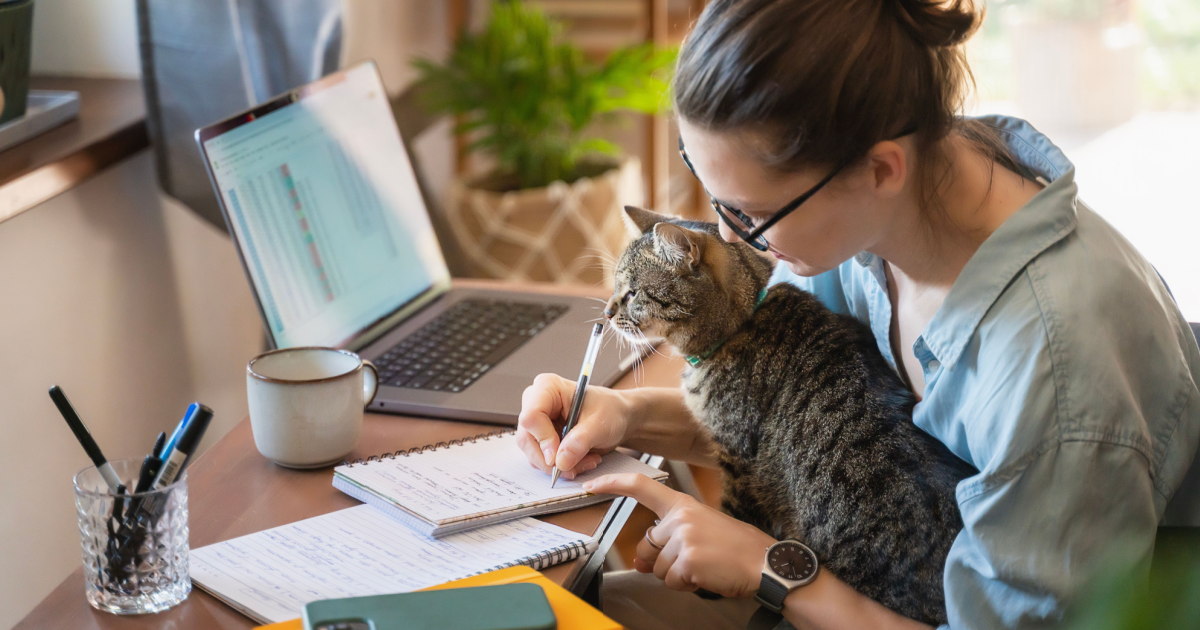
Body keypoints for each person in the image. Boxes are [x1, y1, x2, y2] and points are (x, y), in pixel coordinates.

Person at [515, 0, 1200, 628]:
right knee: (587, 600)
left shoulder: (1054, 368)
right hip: (872, 574)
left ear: (880, 169)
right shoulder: (895, 199)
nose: (727, 240)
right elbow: (777, 424)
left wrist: (770, 567)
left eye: (751, 214)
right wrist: (627, 417)